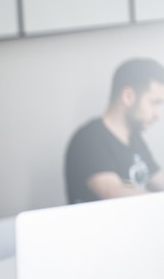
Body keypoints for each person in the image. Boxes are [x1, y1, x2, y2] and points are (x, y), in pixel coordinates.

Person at [64, 57, 164, 204]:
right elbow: (113, 192)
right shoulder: (88, 140)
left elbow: (158, 178)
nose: (158, 114)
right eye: (154, 102)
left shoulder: (134, 139)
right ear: (128, 96)